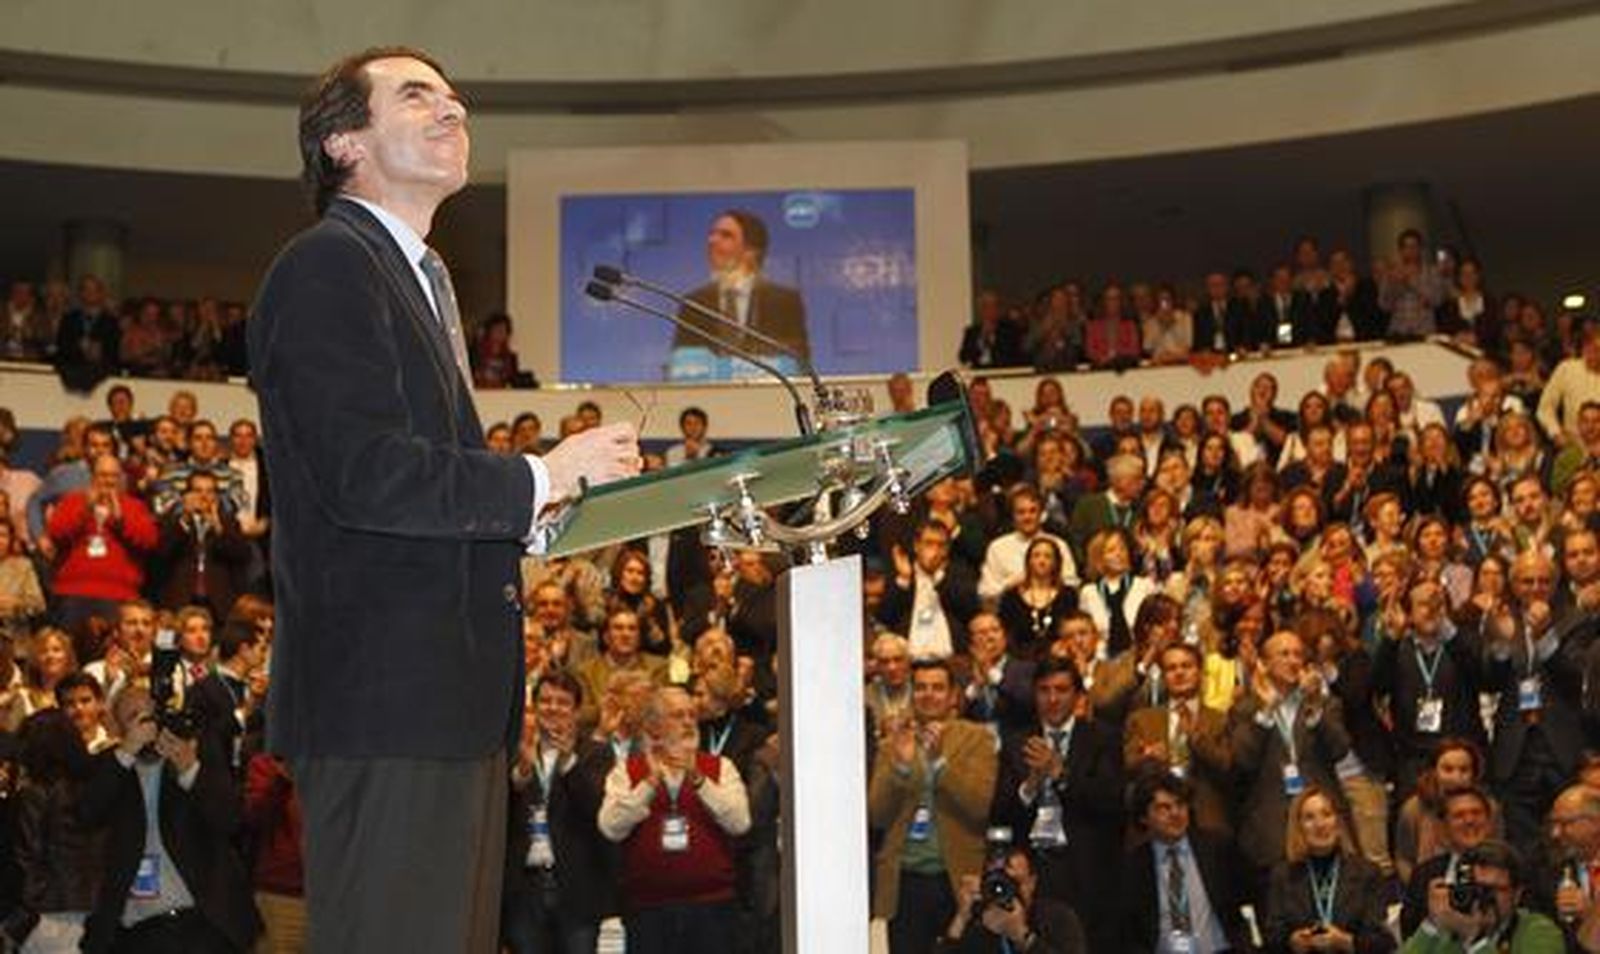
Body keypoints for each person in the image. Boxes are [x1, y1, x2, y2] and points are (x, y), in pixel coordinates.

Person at [248, 46, 640, 954]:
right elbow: (367, 474)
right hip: (387, 699)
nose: (453, 110)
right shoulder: (328, 266)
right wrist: (541, 474)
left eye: (458, 99)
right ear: (344, 140)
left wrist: (534, 520)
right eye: (418, 96)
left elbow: (413, 485)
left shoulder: (419, 281)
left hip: (446, 703)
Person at [78, 686, 260, 953]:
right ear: (117, 728)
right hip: (136, 930)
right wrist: (128, 749)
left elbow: (231, 820)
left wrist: (190, 771)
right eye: (134, 717)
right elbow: (86, 814)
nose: (147, 725)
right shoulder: (112, 765)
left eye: (152, 715)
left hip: (202, 922)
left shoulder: (194, 753)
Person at [598, 685, 750, 953]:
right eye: (678, 715)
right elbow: (610, 827)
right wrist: (649, 782)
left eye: (692, 714)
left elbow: (740, 823)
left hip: (712, 909)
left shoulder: (720, 767)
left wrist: (699, 780)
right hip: (648, 911)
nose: (689, 722)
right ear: (655, 725)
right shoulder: (629, 771)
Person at [992, 657, 1123, 950]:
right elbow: (998, 813)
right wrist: (1030, 786)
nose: (1052, 698)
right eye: (1044, 690)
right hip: (1035, 869)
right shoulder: (1016, 742)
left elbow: (1112, 802)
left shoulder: (1103, 737)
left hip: (1088, 868)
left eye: (1061, 690)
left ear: (1078, 695)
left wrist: (1060, 773)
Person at [869, 659, 998, 954]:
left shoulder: (977, 739)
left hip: (958, 879)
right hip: (905, 881)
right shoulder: (893, 743)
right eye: (922, 688)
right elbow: (877, 815)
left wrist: (940, 763)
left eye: (938, 688)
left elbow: (979, 806)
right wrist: (901, 768)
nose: (929, 695)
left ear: (953, 695)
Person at [503, 670, 616, 954]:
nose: (552, 708)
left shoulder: (596, 753)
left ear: (576, 710)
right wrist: (521, 774)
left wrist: (569, 765)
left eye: (562, 702)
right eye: (545, 700)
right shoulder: (517, 751)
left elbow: (598, 812)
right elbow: (501, 814)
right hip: (526, 889)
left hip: (576, 890)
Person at [1119, 770, 1248, 954]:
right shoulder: (1133, 866)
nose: (1176, 813)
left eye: (1180, 804)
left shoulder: (1218, 848)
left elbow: (1248, 899)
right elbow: (1130, 931)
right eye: (1163, 808)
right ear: (1144, 817)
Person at [1262, 785, 1395, 953]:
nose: (1320, 824)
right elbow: (1271, 938)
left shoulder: (1367, 873)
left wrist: (1346, 942)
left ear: (1338, 822)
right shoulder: (1282, 876)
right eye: (1309, 818)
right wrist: (1292, 942)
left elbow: (1383, 942)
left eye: (1326, 814)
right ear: (1298, 827)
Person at [671, 209, 810, 367]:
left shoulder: (784, 301)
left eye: (726, 235)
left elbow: (799, 362)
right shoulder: (694, 304)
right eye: (712, 234)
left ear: (751, 250)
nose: (712, 240)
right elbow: (680, 365)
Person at [1399, 840, 1563, 953]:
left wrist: (1475, 940)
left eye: (1496, 889)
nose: (1486, 898)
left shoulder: (1539, 931)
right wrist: (1432, 925)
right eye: (1479, 888)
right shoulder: (1451, 932)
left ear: (1517, 894)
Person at [937, 845, 1088, 953]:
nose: (1006, 891)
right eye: (998, 882)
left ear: (1031, 883)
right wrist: (961, 918)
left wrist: (1022, 937)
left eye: (1014, 882)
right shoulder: (977, 923)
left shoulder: (1057, 917)